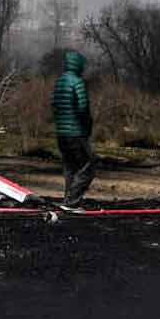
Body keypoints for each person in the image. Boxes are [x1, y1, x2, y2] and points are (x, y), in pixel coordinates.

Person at [50, 50, 94, 208]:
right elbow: (83, 108)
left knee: (70, 167)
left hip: (61, 133)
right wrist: (87, 127)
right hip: (76, 132)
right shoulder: (77, 82)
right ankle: (72, 202)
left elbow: (54, 105)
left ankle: (68, 201)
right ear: (78, 65)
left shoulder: (59, 82)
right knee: (88, 166)